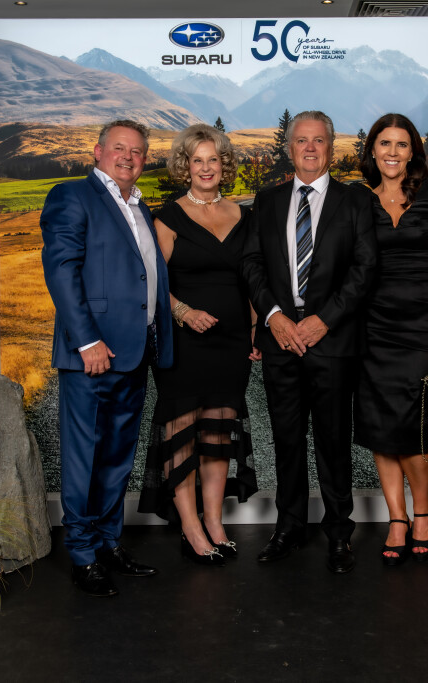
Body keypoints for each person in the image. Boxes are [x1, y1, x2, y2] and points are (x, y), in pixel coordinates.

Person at [41, 120, 174, 596]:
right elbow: (61, 270)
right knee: (85, 457)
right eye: (119, 148)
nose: (128, 157)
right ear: (98, 152)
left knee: (117, 457)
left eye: (137, 151)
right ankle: (82, 554)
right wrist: (86, 341)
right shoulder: (72, 196)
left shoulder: (139, 205)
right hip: (93, 355)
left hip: (134, 353)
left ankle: (108, 543)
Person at [242, 110, 377, 574]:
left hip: (331, 339)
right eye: (301, 140)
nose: (310, 148)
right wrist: (275, 317)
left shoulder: (354, 201)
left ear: (331, 148)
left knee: (333, 440)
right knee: (286, 438)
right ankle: (289, 528)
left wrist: (324, 320)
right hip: (280, 338)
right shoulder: (267, 200)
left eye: (319, 140)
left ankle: (339, 534)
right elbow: (252, 264)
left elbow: (365, 269)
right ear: (289, 149)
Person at [354, 113, 428, 565]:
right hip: (372, 329)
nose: (392, 152)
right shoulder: (359, 202)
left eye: (401, 144)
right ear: (372, 150)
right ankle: (397, 518)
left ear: (413, 152)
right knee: (379, 427)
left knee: (414, 425)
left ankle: (422, 511)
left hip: (421, 329)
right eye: (384, 143)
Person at [138, 124, 259, 566]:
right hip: (184, 341)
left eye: (213, 160)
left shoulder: (243, 215)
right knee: (183, 432)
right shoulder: (168, 218)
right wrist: (184, 313)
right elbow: (151, 282)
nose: (206, 168)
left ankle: (215, 522)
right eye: (197, 160)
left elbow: (252, 279)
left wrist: (254, 329)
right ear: (185, 166)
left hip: (231, 343)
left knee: (217, 433)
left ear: (223, 166)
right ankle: (190, 528)